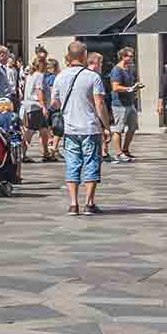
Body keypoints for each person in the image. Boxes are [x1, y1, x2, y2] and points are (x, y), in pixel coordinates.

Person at [52, 42, 111, 216]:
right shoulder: (93, 77)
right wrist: (106, 126)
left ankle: (73, 204)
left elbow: (54, 103)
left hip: (70, 128)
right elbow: (100, 104)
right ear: (84, 56)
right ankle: (89, 203)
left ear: (69, 56)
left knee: (72, 164)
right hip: (90, 127)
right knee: (91, 163)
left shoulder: (60, 76)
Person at [106, 48, 140, 163]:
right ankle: (119, 153)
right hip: (119, 104)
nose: (131, 58)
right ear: (122, 57)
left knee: (133, 127)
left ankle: (125, 150)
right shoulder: (117, 70)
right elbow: (115, 87)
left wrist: (135, 87)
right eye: (129, 56)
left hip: (130, 103)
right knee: (118, 129)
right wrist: (130, 89)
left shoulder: (130, 68)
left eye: (132, 56)